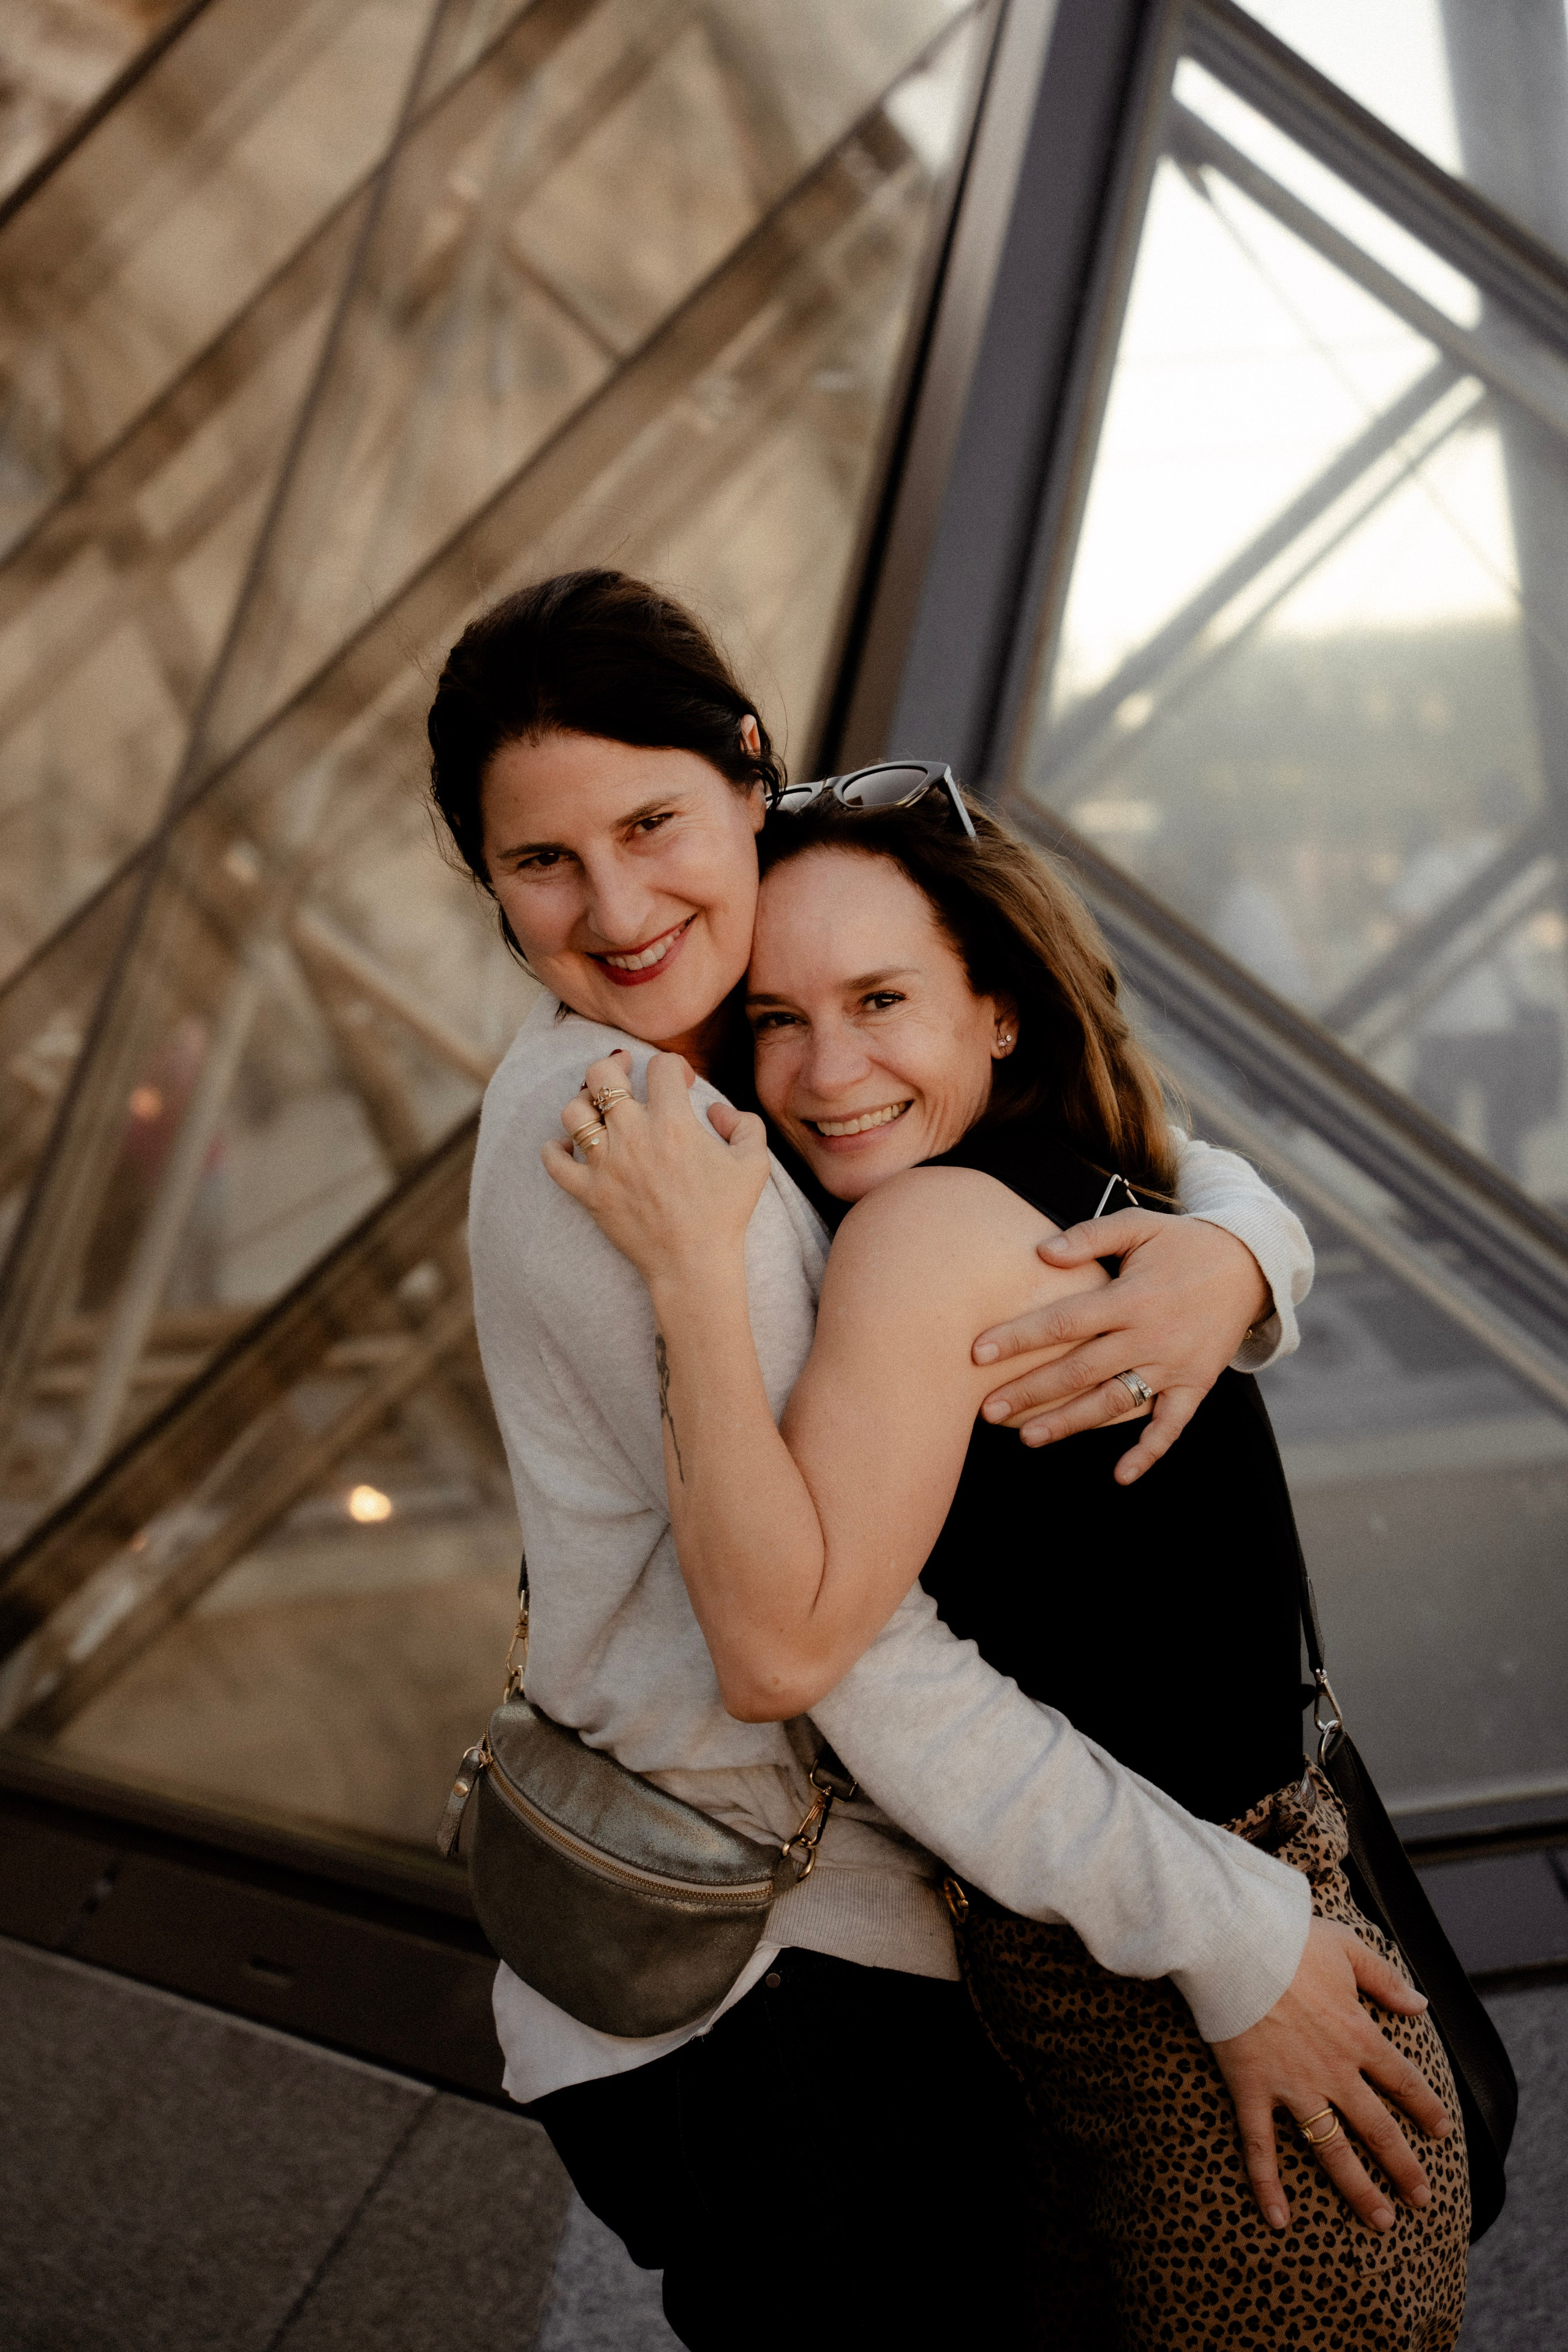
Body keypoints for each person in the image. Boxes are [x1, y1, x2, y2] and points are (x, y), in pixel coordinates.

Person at [426, 571, 1449, 2350]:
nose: (620, 905)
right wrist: (1234, 1930)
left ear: (751, 773)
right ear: (485, 879)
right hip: (777, 1975)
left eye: (652, 822)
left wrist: (1236, 1260)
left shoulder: (781, 978)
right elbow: (846, 1658)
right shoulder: (650, 1150)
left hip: (811, 1953)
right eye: (541, 864)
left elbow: (1117, 1106)